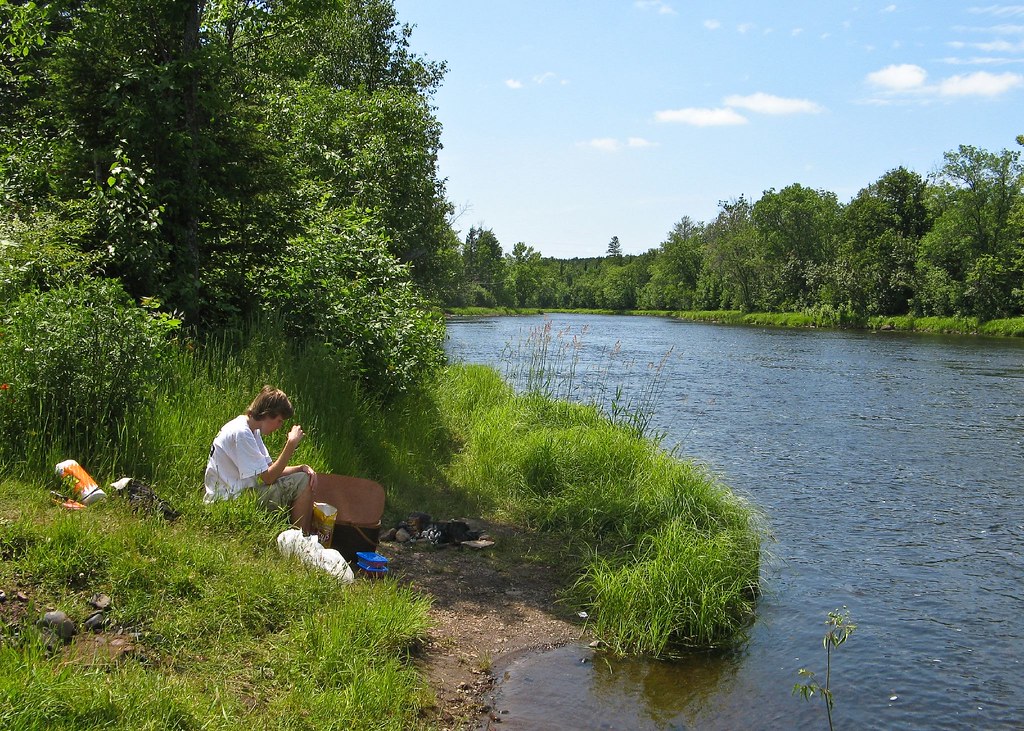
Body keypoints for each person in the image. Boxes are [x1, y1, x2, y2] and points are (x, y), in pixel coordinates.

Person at [204, 386, 318, 531]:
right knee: (302, 482)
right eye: (279, 421)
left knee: (303, 476)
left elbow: (271, 470)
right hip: (228, 502)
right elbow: (269, 478)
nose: (279, 426)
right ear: (267, 414)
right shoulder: (242, 433)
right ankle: (301, 540)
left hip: (237, 496)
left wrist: (301, 468)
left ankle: (303, 537)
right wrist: (291, 444)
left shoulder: (251, 429)